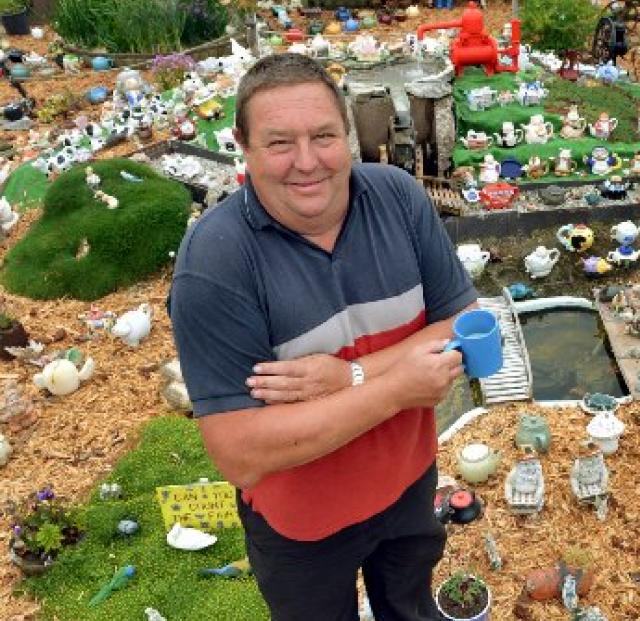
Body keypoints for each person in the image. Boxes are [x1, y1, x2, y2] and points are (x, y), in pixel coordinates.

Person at [168, 53, 478, 620]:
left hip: (408, 486)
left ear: (349, 134)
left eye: (324, 136)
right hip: (301, 527)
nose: (307, 163)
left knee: (409, 609)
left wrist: (352, 375)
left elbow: (463, 322)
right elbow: (240, 452)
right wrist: (392, 390)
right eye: (280, 142)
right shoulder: (216, 261)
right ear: (243, 145)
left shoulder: (398, 198)